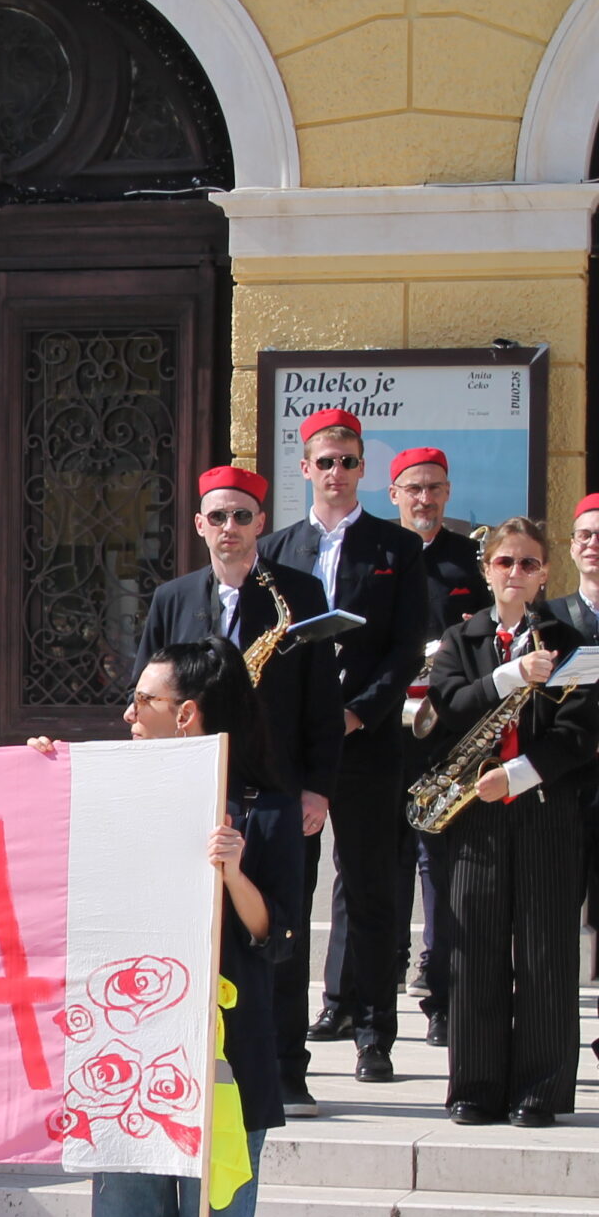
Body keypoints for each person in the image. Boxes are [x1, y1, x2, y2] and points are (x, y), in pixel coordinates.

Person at [34, 637, 294, 1217]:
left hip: (224, 1065)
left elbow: (271, 933)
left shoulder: (262, 807)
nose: (126, 716)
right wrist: (40, 776)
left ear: (186, 712)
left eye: (141, 702)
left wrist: (233, 871)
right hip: (126, 1054)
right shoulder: (116, 790)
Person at [138, 466, 338, 1091]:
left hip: (273, 791)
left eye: (242, 516)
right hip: (185, 790)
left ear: (260, 525)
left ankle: (287, 1069)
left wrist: (317, 786)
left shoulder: (298, 594)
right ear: (199, 525)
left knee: (280, 926)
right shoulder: (174, 597)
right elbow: (143, 690)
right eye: (217, 517)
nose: (230, 528)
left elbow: (321, 700)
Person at [261, 408, 427, 1109]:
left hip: (366, 739)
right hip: (294, 750)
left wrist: (359, 711)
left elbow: (405, 647)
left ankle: (374, 1033)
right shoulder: (276, 548)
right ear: (305, 469)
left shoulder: (394, 546)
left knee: (370, 887)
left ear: (363, 470)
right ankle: (287, 1046)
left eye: (349, 462)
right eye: (324, 462)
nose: (336, 473)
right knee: (290, 894)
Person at [422, 518, 598, 1128]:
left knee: (548, 951)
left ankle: (541, 1091)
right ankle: (474, 1086)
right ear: (487, 570)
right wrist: (509, 676)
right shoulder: (461, 639)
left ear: (546, 571)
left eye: (528, 564)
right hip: (475, 815)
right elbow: (447, 709)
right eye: (505, 563)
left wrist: (518, 775)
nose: (516, 574)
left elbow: (580, 734)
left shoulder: (572, 640)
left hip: (547, 811)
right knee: (476, 948)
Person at [386, 451, 489, 1051]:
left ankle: (440, 992)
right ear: (394, 493)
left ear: (448, 493)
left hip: (445, 734)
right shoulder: (378, 556)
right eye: (413, 490)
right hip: (382, 733)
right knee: (383, 861)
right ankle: (378, 977)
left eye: (434, 489)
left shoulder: (467, 564)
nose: (424, 500)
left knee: (438, 862)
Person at [555, 494, 599, 1071]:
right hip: (563, 788)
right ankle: (554, 1037)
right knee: (555, 920)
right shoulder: (555, 619)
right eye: (585, 535)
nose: (593, 544)